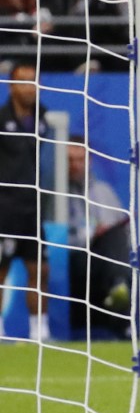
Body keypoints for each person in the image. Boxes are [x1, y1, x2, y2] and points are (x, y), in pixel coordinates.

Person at [0, 60, 51, 341]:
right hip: (4, 207)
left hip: (32, 208)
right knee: (1, 270)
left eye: (33, 81)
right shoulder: (1, 119)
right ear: (10, 86)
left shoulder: (42, 117)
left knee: (40, 269)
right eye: (23, 81)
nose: (29, 87)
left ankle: (39, 331)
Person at [66, 137, 132, 337]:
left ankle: (118, 286)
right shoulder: (55, 193)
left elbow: (124, 232)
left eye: (80, 159)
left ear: (90, 161)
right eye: (70, 160)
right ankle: (118, 288)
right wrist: (90, 236)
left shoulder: (104, 191)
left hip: (108, 259)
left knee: (116, 234)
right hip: (77, 260)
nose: (76, 166)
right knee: (112, 238)